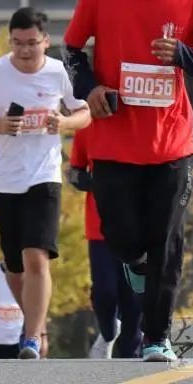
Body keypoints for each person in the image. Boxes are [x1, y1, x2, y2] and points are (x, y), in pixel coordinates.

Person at [63, 0, 193, 362]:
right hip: (113, 142)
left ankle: (157, 337)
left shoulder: (192, 0)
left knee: (166, 244)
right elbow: (71, 50)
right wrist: (90, 88)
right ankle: (136, 265)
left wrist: (182, 55)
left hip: (171, 146)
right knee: (121, 238)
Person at [0, 7, 91, 360]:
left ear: (45, 41)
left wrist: (63, 123)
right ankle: (36, 322)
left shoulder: (58, 72)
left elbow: (85, 113)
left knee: (36, 257)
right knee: (15, 267)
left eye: (32, 43)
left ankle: (31, 337)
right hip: (4, 178)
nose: (24, 50)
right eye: (17, 43)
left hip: (43, 175)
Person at [65, 131, 141, 359]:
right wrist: (99, 182)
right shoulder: (88, 127)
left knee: (133, 294)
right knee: (104, 291)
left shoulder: (142, 126)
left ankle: (132, 353)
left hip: (138, 225)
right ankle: (108, 332)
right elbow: (74, 173)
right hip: (100, 226)